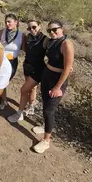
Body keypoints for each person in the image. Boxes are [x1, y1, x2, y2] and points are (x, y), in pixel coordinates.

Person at [32, 20, 74, 154]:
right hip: (47, 75)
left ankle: (46, 141)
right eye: (49, 30)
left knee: (49, 110)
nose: (52, 32)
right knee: (45, 104)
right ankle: (46, 126)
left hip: (58, 80)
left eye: (55, 29)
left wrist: (58, 87)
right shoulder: (50, 41)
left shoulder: (66, 44)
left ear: (62, 29)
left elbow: (67, 68)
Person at [8, 20, 48, 123]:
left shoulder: (45, 40)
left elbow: (53, 53)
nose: (32, 30)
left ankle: (19, 113)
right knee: (32, 88)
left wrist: (64, 65)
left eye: (34, 27)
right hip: (27, 66)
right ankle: (31, 107)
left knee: (24, 90)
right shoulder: (28, 37)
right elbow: (25, 49)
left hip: (37, 69)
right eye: (29, 28)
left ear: (40, 26)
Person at [0, 13, 26, 109]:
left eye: (9, 22)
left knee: (6, 80)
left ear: (16, 22)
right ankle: (3, 100)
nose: (7, 24)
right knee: (1, 80)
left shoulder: (22, 35)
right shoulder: (1, 32)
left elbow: (25, 48)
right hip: (1, 61)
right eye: (6, 22)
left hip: (12, 61)